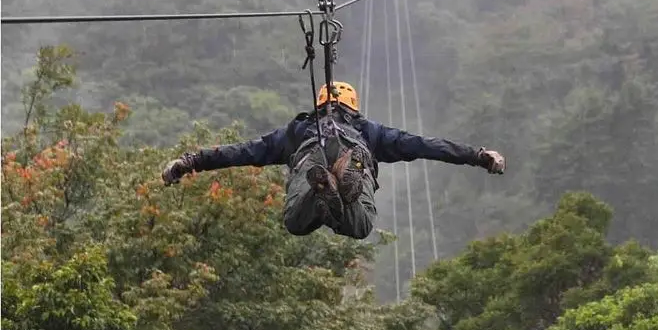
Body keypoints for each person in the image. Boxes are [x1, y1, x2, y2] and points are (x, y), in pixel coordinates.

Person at [161, 81, 505, 240]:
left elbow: (240, 152)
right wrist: (477, 156)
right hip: (357, 151)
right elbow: (426, 145)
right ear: (353, 106)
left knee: (296, 224)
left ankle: (324, 184)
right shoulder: (372, 131)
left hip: (309, 154)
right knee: (362, 228)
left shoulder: (295, 131)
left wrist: (190, 162)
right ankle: (346, 174)